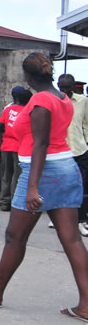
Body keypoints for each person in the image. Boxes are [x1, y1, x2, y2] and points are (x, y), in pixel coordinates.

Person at [0, 53, 88, 323]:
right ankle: (87, 305)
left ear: (28, 77)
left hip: (43, 172)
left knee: (15, 236)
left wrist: (33, 187)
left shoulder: (41, 100)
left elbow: (40, 143)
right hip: (66, 167)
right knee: (72, 239)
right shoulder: (63, 98)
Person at [57, 74, 88, 237]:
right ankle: (59, 219)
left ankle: (82, 220)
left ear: (73, 86)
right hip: (61, 151)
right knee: (63, 186)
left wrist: (87, 142)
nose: (64, 91)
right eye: (62, 87)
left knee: (82, 185)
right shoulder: (55, 101)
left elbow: (86, 123)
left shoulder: (82, 101)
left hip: (80, 150)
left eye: (68, 87)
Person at [0, 87, 33, 212]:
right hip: (21, 148)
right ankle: (14, 202)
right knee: (17, 176)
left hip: (6, 146)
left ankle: (4, 202)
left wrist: (5, 134)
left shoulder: (8, 109)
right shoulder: (28, 111)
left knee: (6, 174)